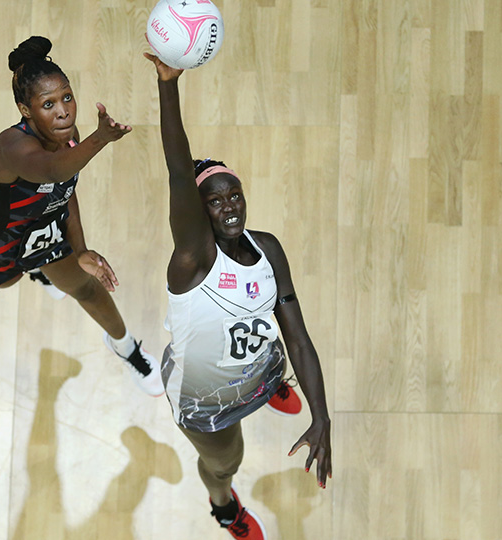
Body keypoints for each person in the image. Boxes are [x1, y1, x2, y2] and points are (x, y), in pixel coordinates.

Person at [144, 52, 333, 539]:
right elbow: (179, 174)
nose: (229, 208)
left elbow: (298, 334)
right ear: (199, 211)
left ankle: (272, 386)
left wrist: (322, 415)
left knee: (273, 352)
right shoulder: (193, 259)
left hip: (258, 366)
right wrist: (168, 84)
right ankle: (224, 507)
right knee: (227, 463)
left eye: (235, 196)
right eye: (215, 201)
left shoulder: (267, 247)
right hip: (207, 399)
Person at [0, 36, 163, 397]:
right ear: (25, 110)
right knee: (7, 282)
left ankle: (127, 349)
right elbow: (51, 171)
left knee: (85, 286)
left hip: (40, 227)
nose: (63, 111)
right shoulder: (12, 147)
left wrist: (80, 249)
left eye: (67, 97)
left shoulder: (67, 136)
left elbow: (64, 187)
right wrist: (98, 140)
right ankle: (35, 271)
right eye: (48, 104)